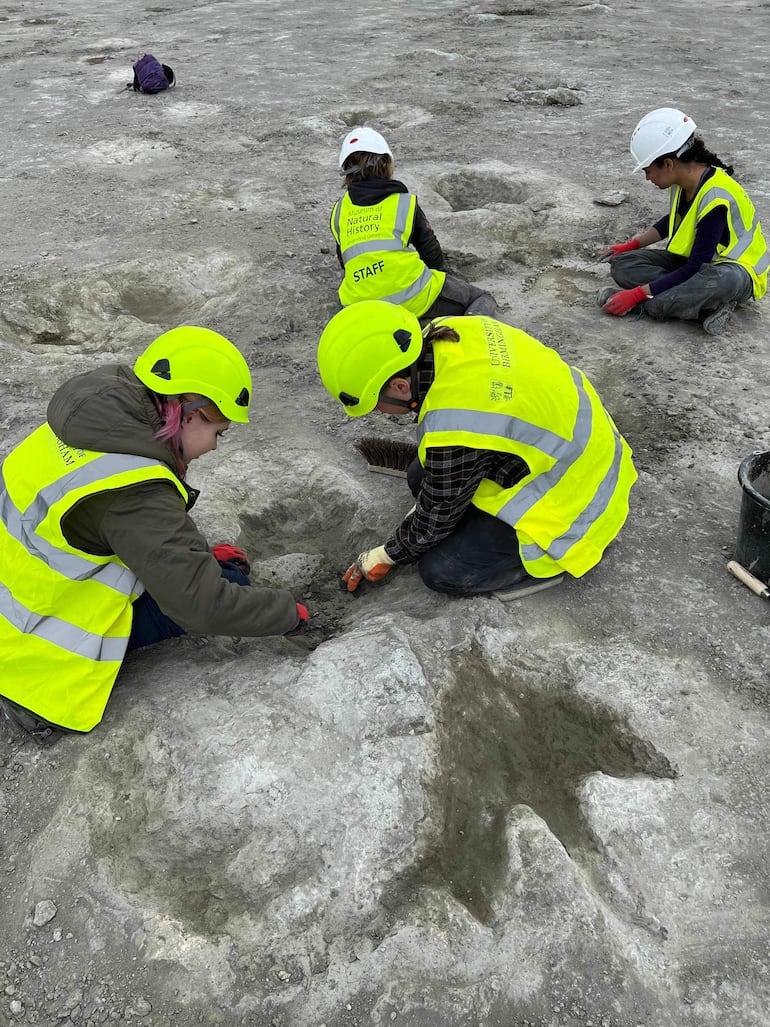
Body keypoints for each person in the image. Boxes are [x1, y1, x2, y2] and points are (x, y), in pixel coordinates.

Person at [0, 326, 308, 744]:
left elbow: (135, 528)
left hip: (23, 593)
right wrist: (288, 613)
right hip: (38, 653)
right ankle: (35, 700)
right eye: (218, 432)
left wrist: (198, 554)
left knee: (215, 571)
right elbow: (201, 606)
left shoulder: (96, 418)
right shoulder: (134, 490)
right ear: (190, 411)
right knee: (229, 585)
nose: (215, 447)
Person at [316, 301, 637, 600]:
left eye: (377, 405)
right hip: (574, 446)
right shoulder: (451, 331)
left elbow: (434, 518)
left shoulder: (457, 423)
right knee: (420, 476)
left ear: (401, 386)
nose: (380, 413)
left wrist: (387, 554)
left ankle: (541, 569)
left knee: (442, 571)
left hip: (577, 502)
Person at [597, 107, 769, 335]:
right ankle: (698, 302)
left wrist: (637, 294)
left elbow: (696, 266)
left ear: (668, 164)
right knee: (622, 265)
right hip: (693, 265)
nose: (647, 178)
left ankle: (662, 303)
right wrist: (631, 246)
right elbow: (673, 221)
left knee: (678, 295)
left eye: (648, 170)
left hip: (734, 272)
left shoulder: (716, 197)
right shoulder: (684, 183)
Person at [330, 126, 497, 323]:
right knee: (482, 298)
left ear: (346, 173)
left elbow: (346, 261)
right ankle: (466, 332)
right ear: (386, 164)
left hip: (360, 307)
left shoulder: (339, 211)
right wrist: (441, 279)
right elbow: (429, 248)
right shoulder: (403, 203)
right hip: (413, 298)